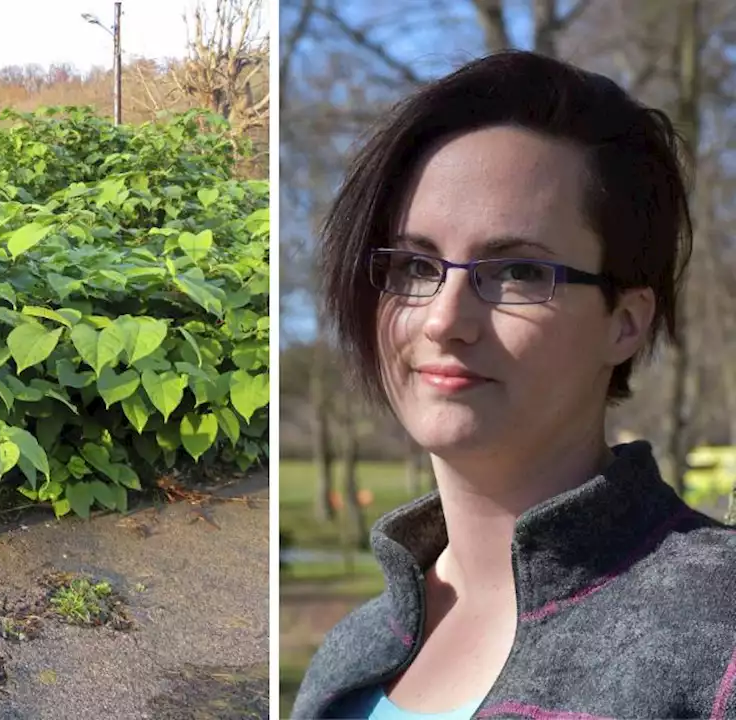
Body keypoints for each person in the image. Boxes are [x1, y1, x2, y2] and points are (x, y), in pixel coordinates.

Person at [290, 50, 736, 720]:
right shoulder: (348, 654)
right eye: (414, 266)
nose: (445, 319)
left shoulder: (718, 631)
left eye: (519, 273)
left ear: (625, 322)